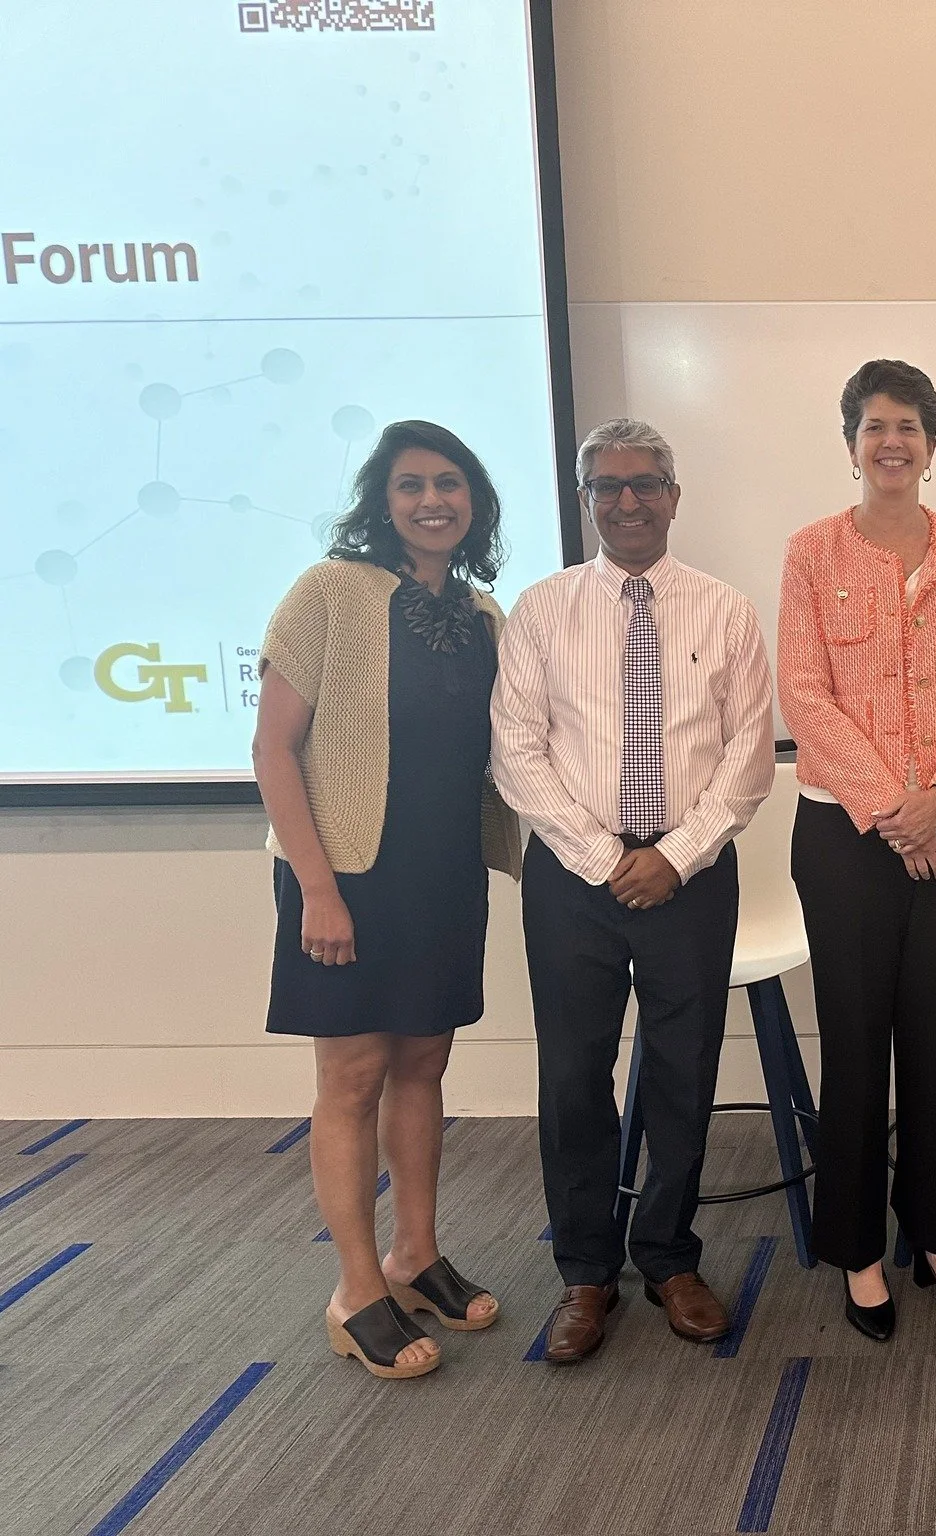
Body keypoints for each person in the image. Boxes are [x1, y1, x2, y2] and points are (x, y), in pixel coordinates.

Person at [491, 417, 775, 1365]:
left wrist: (677, 855)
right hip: (574, 877)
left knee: (683, 1071)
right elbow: (515, 750)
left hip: (689, 874)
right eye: (607, 487)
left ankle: (668, 1256)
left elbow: (748, 758)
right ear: (585, 502)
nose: (627, 502)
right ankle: (585, 1271)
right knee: (574, 1075)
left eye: (645, 484)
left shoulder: (726, 611)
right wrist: (601, 855)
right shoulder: (541, 610)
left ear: (674, 497)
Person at [253, 419, 516, 1381]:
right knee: (353, 1076)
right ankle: (356, 1290)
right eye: (411, 485)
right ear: (382, 500)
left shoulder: (484, 614)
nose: (432, 501)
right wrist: (318, 889)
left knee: (424, 1064)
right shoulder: (330, 592)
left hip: (442, 873)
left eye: (450, 483)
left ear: (474, 501)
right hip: (347, 876)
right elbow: (273, 748)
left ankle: (415, 1254)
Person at [777, 359, 936, 1342]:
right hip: (845, 837)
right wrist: (888, 809)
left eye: (908, 426)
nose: (891, 442)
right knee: (856, 1039)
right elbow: (804, 695)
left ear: (930, 443)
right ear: (850, 443)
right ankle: (858, 1251)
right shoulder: (811, 552)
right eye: (874, 426)